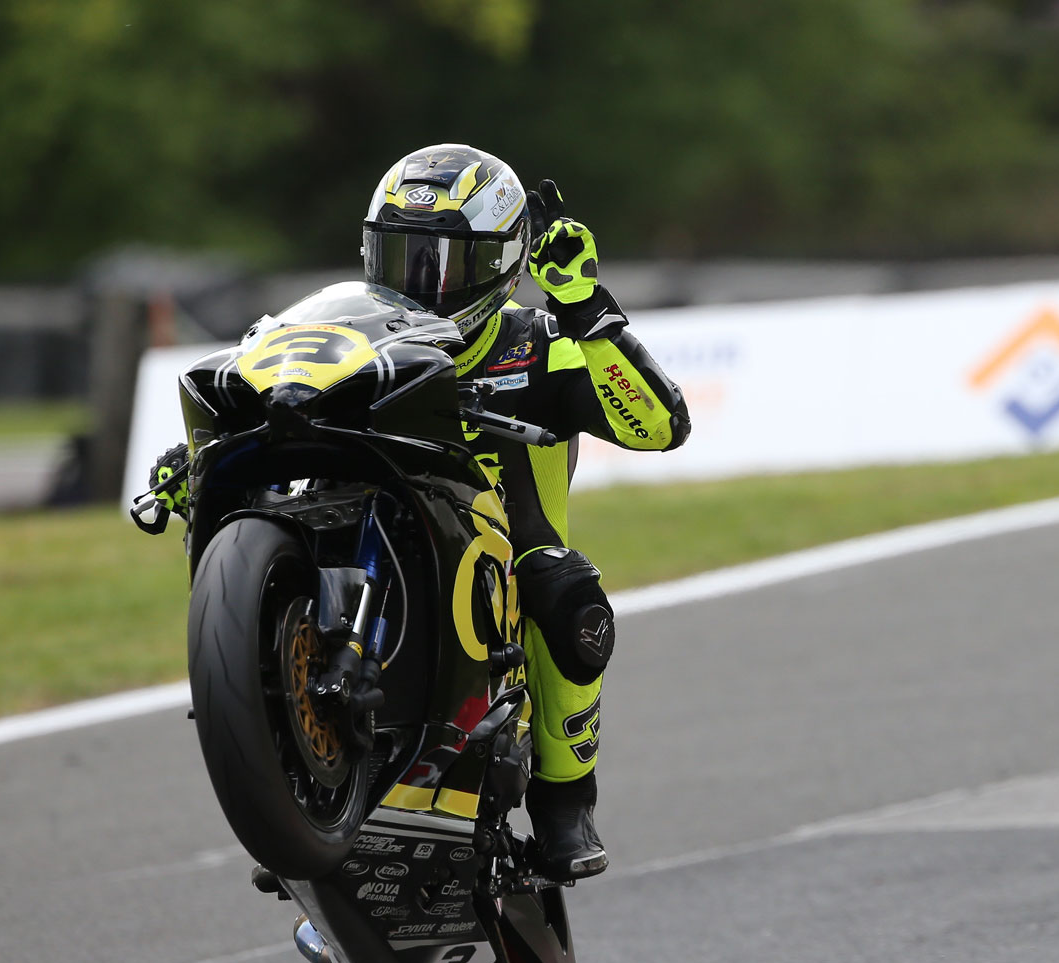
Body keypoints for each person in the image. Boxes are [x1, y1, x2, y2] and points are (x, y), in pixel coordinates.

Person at [147, 143, 689, 881]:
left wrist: (587, 311)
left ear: (500, 265)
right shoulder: (360, 343)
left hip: (501, 569)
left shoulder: (539, 345)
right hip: (376, 533)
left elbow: (659, 427)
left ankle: (565, 803)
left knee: (565, 588)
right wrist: (203, 463)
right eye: (403, 259)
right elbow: (282, 399)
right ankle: (288, 765)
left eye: (447, 265)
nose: (424, 286)